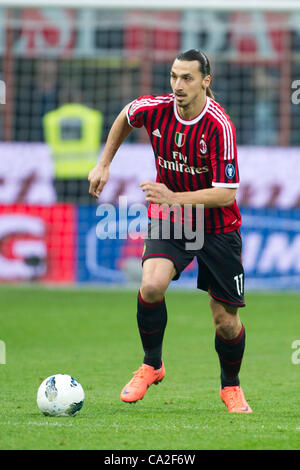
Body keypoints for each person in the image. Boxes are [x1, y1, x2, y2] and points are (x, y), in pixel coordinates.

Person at [88, 49, 252, 413]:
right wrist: (103, 164)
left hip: (217, 225)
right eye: (174, 76)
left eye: (187, 78)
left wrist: (173, 196)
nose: (178, 85)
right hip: (175, 217)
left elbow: (226, 194)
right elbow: (125, 117)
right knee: (150, 285)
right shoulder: (156, 108)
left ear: (206, 82)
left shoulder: (219, 126)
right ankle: (151, 364)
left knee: (225, 322)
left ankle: (231, 387)